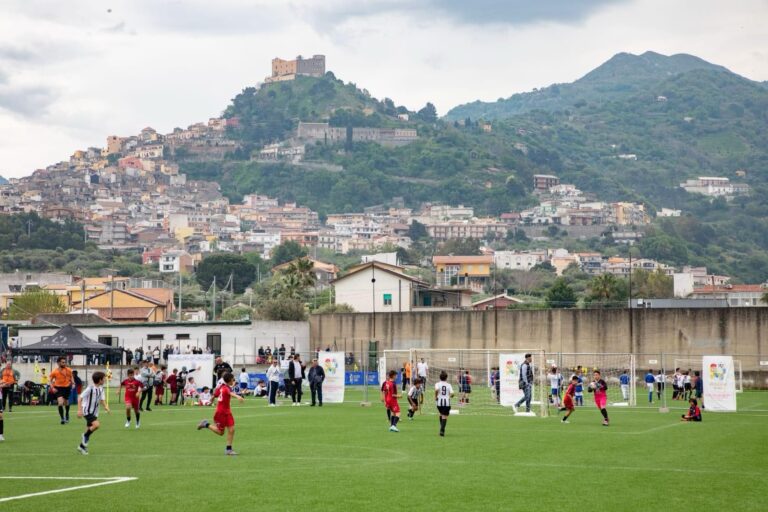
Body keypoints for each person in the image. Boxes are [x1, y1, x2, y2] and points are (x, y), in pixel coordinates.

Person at [197, 372, 244, 455]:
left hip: (227, 412)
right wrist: (238, 396)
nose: (234, 380)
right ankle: (206, 424)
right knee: (220, 432)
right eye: (233, 379)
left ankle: (228, 449)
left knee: (232, 429)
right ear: (229, 380)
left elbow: (215, 394)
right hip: (220, 413)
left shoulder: (222, 387)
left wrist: (211, 398)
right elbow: (230, 393)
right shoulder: (225, 388)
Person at [77, 371, 110, 455]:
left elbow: (102, 399)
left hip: (94, 412)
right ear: (100, 380)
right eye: (104, 379)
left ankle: (82, 447)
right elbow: (80, 398)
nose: (105, 380)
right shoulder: (90, 388)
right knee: (96, 425)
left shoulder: (101, 389)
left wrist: (106, 406)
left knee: (89, 428)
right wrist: (79, 410)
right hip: (87, 411)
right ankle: (85, 435)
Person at [49, 356, 74, 424]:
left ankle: (67, 414)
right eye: (63, 362)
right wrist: (52, 388)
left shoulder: (68, 370)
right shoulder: (54, 371)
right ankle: (62, 418)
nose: (64, 363)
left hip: (67, 387)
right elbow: (50, 380)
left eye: (65, 362)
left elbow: (71, 377)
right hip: (58, 388)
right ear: (58, 363)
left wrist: (73, 383)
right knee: (60, 403)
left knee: (66, 402)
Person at [435, 371, 454, 437]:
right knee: (444, 416)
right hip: (446, 403)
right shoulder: (449, 385)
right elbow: (452, 394)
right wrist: (450, 396)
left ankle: (441, 428)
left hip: (439, 403)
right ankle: (442, 431)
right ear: (446, 378)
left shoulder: (437, 384)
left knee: (441, 414)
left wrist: (435, 396)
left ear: (440, 377)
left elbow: (437, 390)